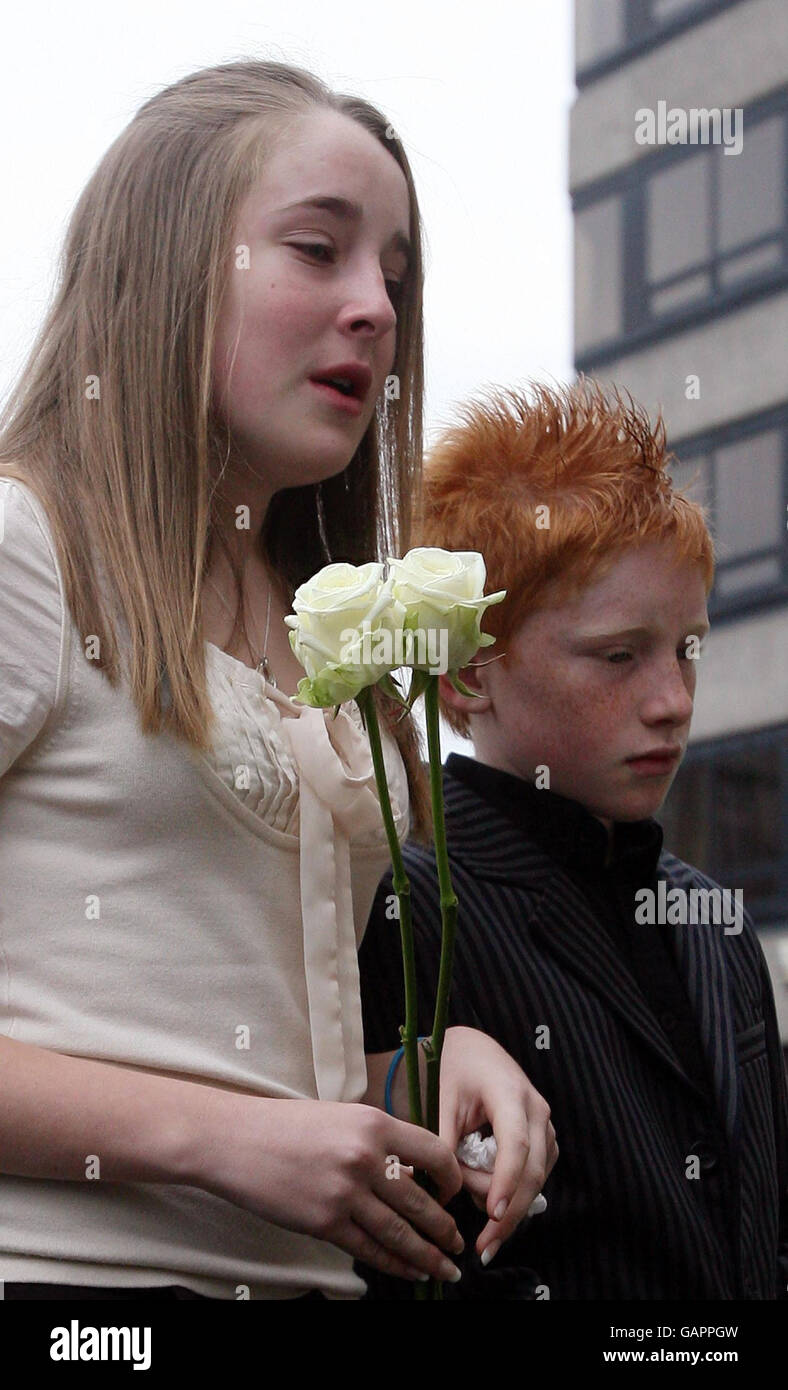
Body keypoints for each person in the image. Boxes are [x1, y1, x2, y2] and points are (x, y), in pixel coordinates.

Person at [0, 60, 557, 1301]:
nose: (375, 307)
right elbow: (235, 1129)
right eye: (318, 250)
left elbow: (246, 1078)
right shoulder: (24, 551)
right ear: (165, 266)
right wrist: (228, 1138)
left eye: (396, 277)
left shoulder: (336, 634)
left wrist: (413, 1071)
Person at [358, 379, 788, 1300]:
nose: (673, 698)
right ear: (467, 680)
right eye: (619, 655)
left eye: (688, 648)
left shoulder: (712, 920)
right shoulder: (402, 907)